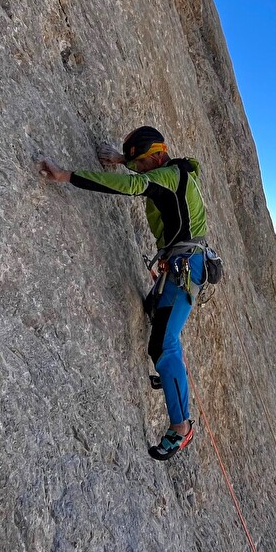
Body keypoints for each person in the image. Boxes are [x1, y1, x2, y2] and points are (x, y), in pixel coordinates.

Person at [38, 126, 208, 461]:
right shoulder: (175, 172)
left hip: (185, 265)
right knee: (154, 312)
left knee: (162, 344)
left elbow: (136, 185)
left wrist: (67, 176)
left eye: (142, 163)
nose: (139, 169)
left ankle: (181, 427)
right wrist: (120, 159)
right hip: (184, 262)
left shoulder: (166, 177)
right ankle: (170, 375)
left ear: (157, 157)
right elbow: (146, 176)